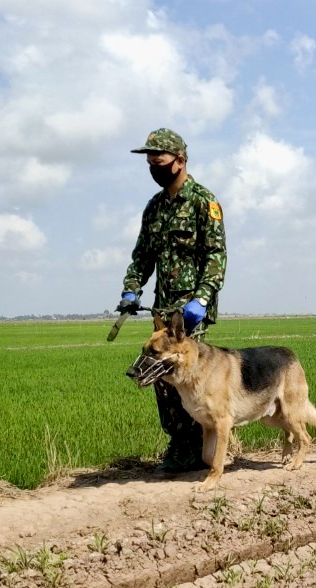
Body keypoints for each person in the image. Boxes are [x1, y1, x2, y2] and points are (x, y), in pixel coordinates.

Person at [117, 128, 228, 472]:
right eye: (149, 161)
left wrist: (203, 299)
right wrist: (131, 288)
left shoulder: (203, 201)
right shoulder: (154, 208)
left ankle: (202, 448)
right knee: (163, 383)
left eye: (158, 159)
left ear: (179, 160)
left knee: (196, 383)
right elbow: (142, 256)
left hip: (191, 316)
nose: (152, 165)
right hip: (163, 311)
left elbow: (215, 256)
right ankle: (181, 445)